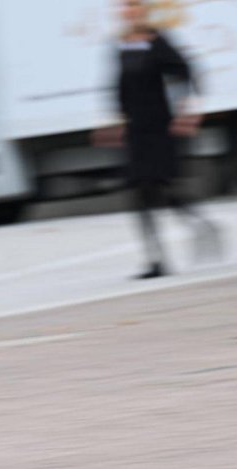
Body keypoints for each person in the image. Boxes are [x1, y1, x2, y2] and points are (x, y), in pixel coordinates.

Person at [109, 0, 221, 279]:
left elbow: (185, 72)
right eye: (124, 7)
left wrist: (187, 109)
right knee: (139, 195)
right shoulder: (122, 45)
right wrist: (117, 121)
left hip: (160, 128)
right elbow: (120, 86)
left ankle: (204, 225)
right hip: (135, 131)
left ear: (143, 10)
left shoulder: (157, 41)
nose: (128, 12)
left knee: (165, 191)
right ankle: (156, 261)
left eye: (133, 6)